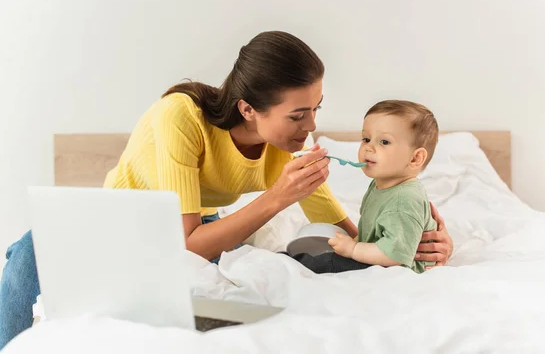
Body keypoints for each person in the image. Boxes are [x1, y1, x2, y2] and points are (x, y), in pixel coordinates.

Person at [0, 31, 454, 349]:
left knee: (286, 270)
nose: (313, 126)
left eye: (316, 108)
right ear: (248, 109)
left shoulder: (288, 145)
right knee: (28, 258)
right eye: (298, 115)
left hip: (195, 231)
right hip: (119, 223)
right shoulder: (179, 117)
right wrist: (276, 197)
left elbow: (354, 236)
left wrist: (411, 244)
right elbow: (186, 244)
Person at [289, 100, 441, 274]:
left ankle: (293, 262)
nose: (369, 147)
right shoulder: (381, 185)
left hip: (399, 271)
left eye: (384, 142)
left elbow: (395, 255)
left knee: (327, 262)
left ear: (415, 159)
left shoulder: (404, 200)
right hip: (378, 259)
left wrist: (354, 249)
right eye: (366, 139)